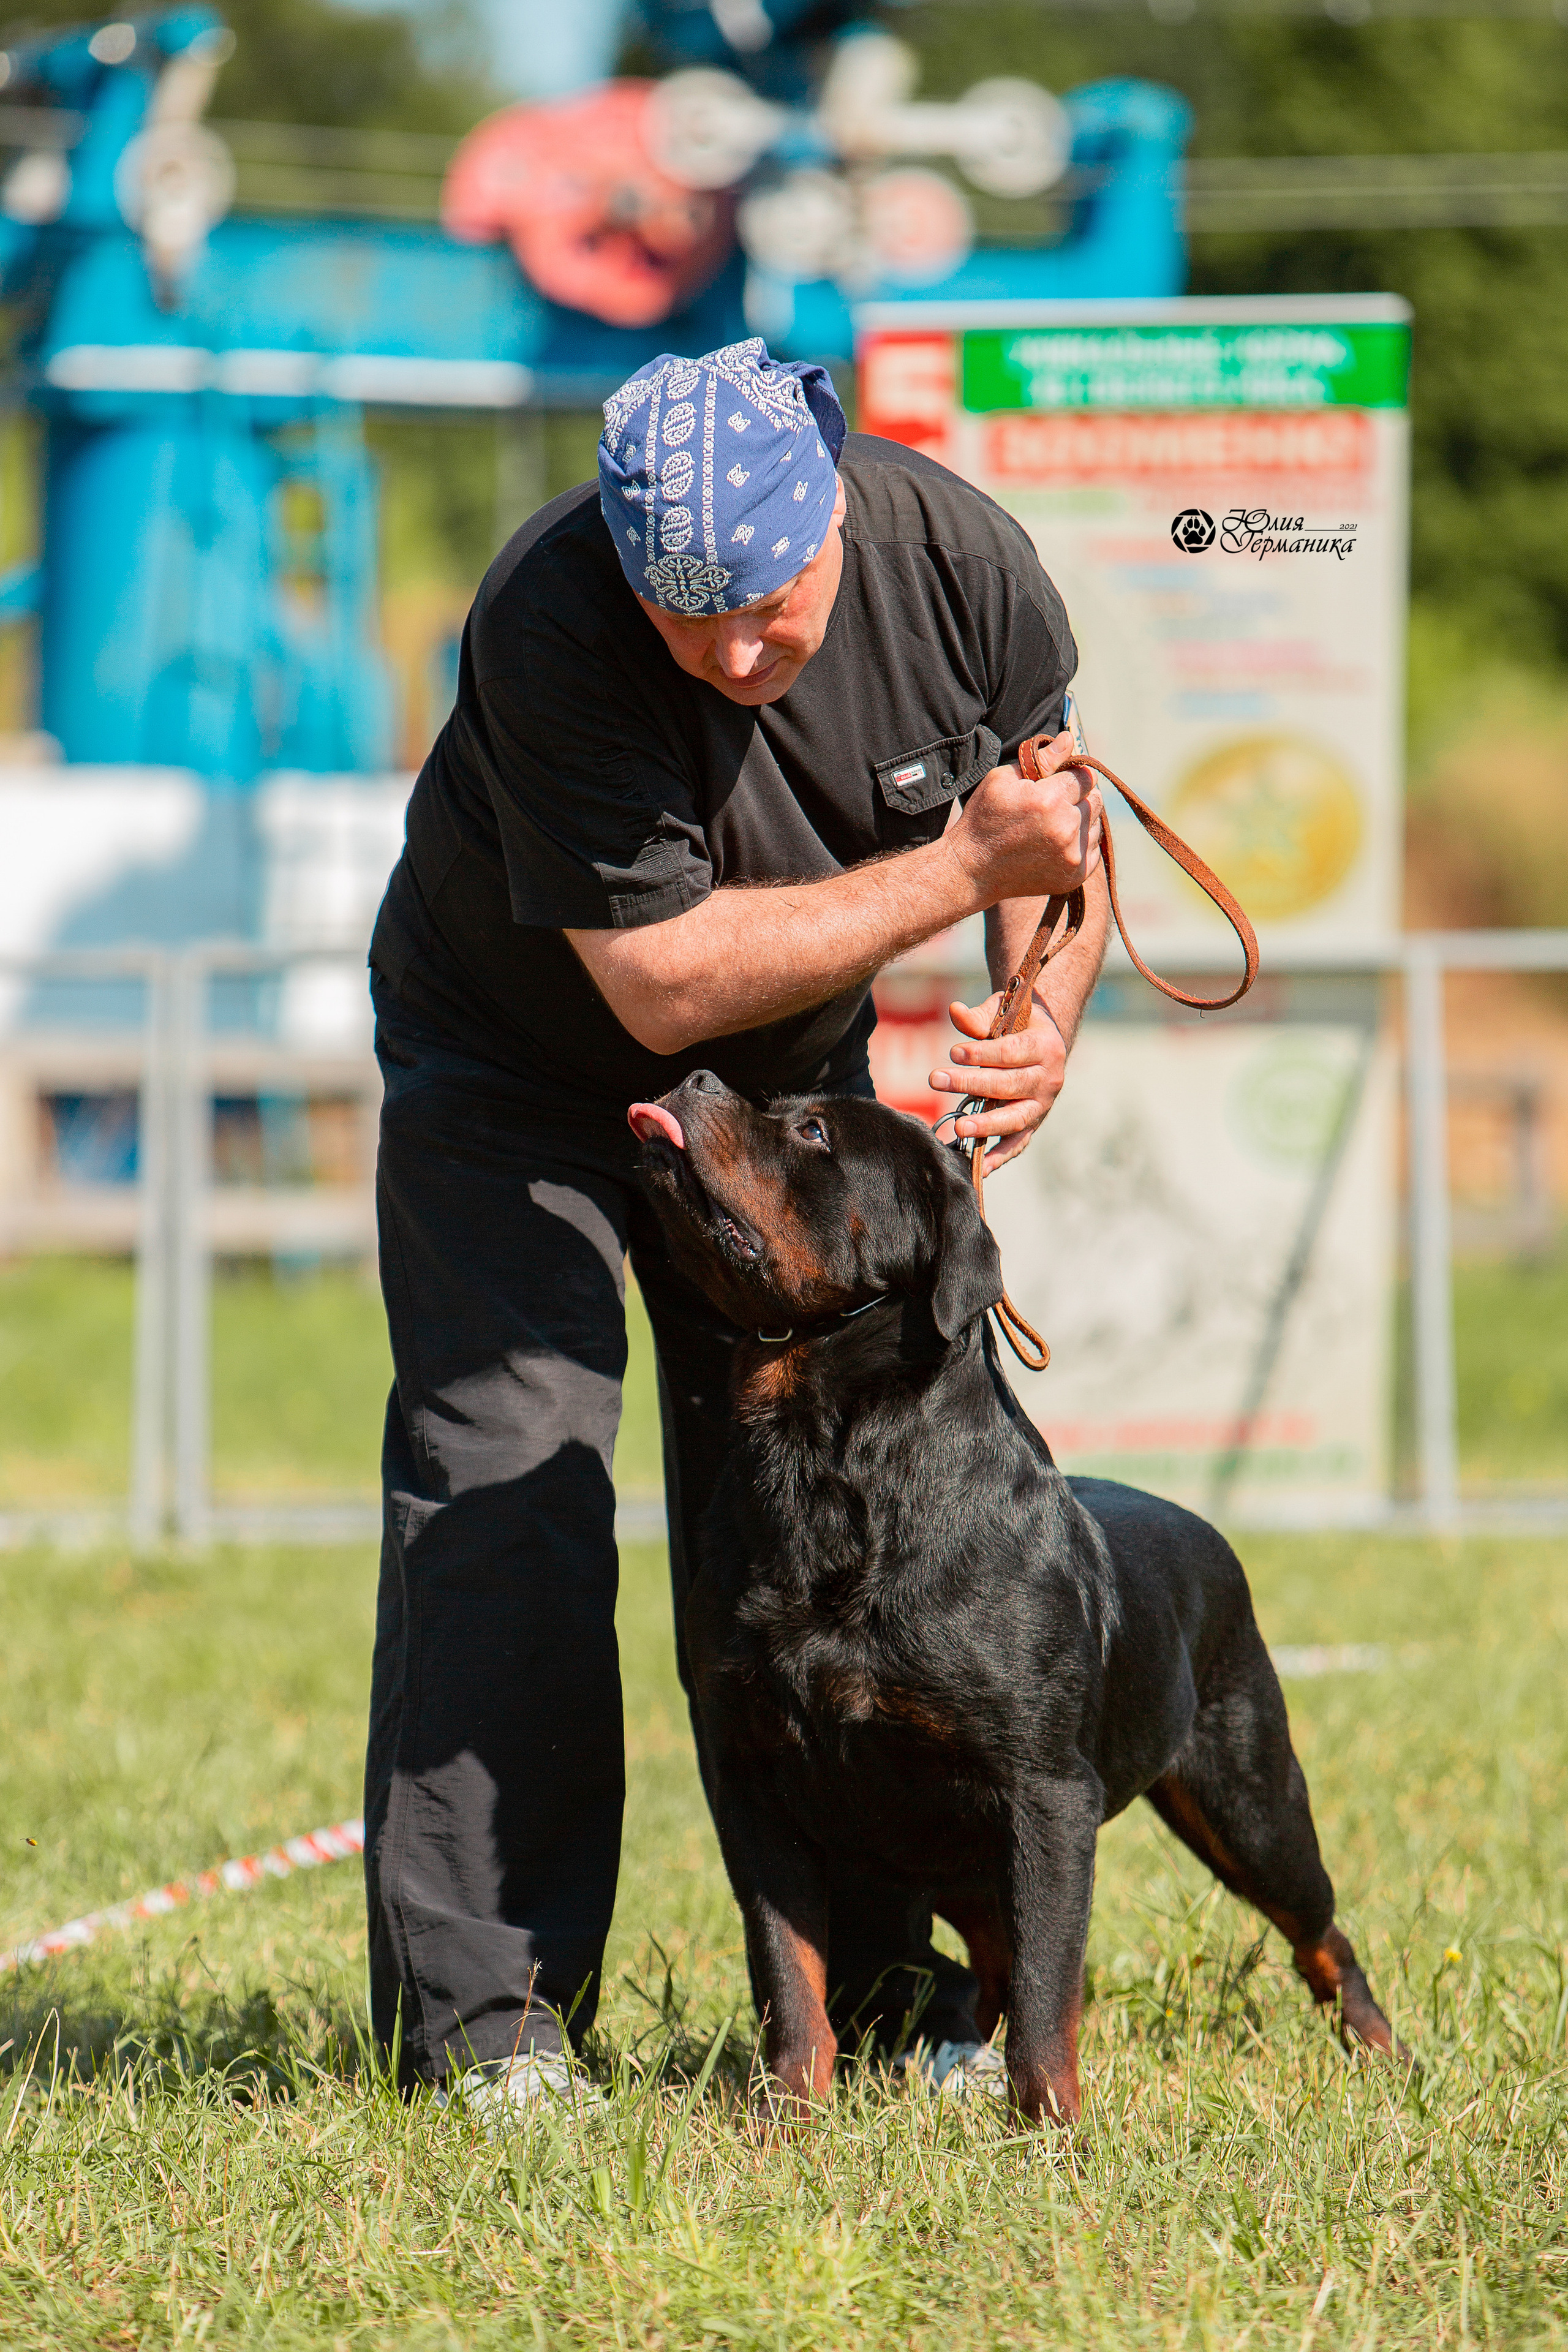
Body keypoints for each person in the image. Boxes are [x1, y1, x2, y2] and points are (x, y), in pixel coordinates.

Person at [364, 336, 1108, 2122]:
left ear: (834, 512)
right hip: (522, 1069)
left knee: (807, 1521)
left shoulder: (964, 568)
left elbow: (1065, 834)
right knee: (512, 1477)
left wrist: (1045, 1007)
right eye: (691, 623)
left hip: (776, 1102)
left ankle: (882, 1988)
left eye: (771, 606)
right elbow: (657, 980)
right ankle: (494, 2028)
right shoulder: (547, 614)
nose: (739, 654)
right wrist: (959, 878)